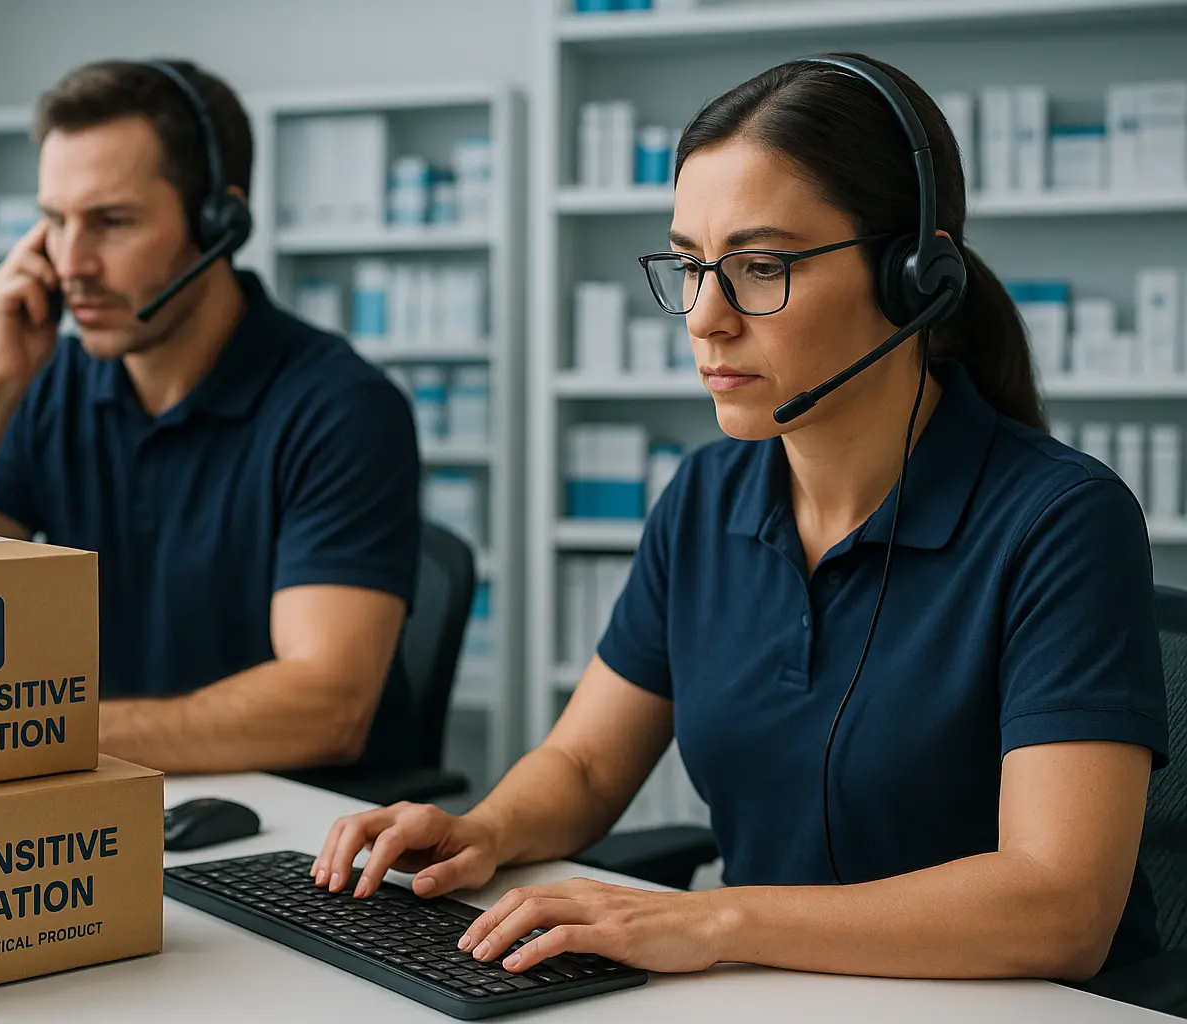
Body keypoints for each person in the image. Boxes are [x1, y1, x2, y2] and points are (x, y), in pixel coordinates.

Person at [314, 53, 1170, 983]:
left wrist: (712, 918)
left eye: (762, 267)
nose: (705, 318)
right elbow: (588, 765)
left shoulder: (1061, 523)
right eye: (690, 265)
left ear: (914, 278)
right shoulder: (705, 496)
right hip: (773, 991)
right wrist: (485, 828)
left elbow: (1059, 905)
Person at [0, 58, 422, 775]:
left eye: (111, 222)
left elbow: (327, 707)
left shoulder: (341, 407)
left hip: (294, 823)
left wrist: (30, 731)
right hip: (110, 791)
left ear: (218, 223)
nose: (71, 264)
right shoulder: (50, 385)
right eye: (54, 222)